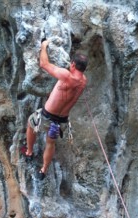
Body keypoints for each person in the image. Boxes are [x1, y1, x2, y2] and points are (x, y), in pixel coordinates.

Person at [24, 40, 88, 179]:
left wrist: (43, 46)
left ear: (72, 65)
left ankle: (29, 152)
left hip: (47, 116)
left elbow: (44, 64)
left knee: (30, 124)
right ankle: (44, 170)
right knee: (50, 143)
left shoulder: (66, 75)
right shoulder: (84, 81)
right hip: (62, 120)